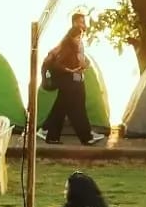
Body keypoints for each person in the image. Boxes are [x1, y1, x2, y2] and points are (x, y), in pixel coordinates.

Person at [39, 13, 105, 146]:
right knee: (75, 111)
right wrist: (70, 70)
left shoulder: (75, 41)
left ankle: (50, 133)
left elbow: (80, 59)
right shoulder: (68, 43)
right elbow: (60, 63)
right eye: (81, 21)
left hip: (76, 80)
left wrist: (84, 65)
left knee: (62, 109)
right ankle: (86, 137)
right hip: (70, 81)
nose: (83, 24)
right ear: (74, 23)